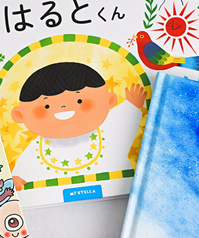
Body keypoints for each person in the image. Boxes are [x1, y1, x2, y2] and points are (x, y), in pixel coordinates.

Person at [10, 62, 146, 189]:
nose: (63, 107)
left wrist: (132, 106)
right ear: (20, 115)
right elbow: (25, 167)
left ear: (110, 100)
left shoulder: (108, 132)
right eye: (47, 106)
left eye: (79, 100)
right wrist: (18, 177)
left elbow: (122, 123)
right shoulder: (36, 149)